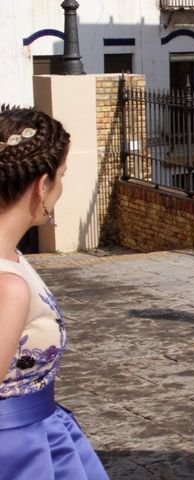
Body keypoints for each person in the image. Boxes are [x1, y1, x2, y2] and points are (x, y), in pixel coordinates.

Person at [0, 108, 109, 479]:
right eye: (61, 177)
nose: (61, 189)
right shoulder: (8, 287)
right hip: (19, 452)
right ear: (41, 185)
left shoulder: (14, 258)